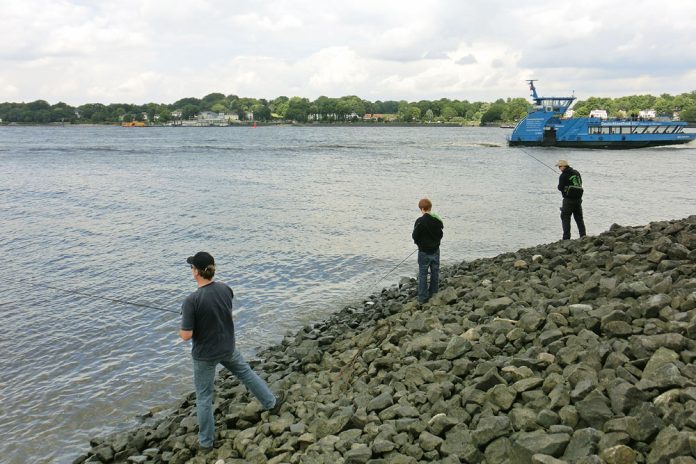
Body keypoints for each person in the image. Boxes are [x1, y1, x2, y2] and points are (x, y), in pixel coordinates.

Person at [179, 251, 284, 450]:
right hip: (227, 347)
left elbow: (186, 335)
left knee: (204, 396)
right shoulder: (226, 289)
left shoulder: (191, 301)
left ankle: (206, 442)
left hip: (205, 356)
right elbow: (216, 312)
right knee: (247, 374)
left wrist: (185, 318)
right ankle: (271, 403)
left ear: (196, 272)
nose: (191, 270)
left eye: (192, 267)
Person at [412, 198, 444, 304]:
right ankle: (434, 294)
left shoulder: (419, 221)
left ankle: (423, 298)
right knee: (435, 273)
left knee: (423, 275)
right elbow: (440, 235)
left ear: (422, 209)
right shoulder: (437, 221)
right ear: (430, 208)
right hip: (435, 250)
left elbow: (415, 236)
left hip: (423, 252)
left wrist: (419, 244)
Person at [556, 159, 586, 240]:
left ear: (563, 166)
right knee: (579, 218)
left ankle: (566, 238)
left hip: (568, 200)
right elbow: (580, 183)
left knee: (565, 217)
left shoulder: (563, 175)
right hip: (578, 199)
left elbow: (560, 188)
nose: (559, 168)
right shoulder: (577, 173)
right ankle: (583, 236)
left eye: (559, 167)